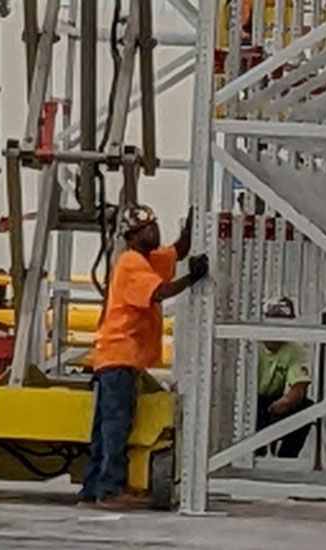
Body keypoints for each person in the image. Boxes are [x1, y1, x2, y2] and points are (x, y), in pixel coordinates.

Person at [82, 205, 208, 511]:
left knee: (105, 427)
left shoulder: (148, 259)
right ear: (133, 236)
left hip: (118, 358)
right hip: (119, 356)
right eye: (149, 228)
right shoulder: (131, 263)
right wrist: (193, 278)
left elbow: (177, 250)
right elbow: (159, 293)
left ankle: (93, 489)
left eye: (155, 225)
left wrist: (193, 220)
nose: (156, 232)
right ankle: (110, 490)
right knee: (116, 426)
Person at [255, 296, 314, 458]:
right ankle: (254, 453)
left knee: (307, 408)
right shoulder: (251, 345)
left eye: (283, 326)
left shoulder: (293, 350)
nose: (277, 333)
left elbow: (299, 386)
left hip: (274, 401)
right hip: (249, 401)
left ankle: (286, 457)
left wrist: (287, 401)